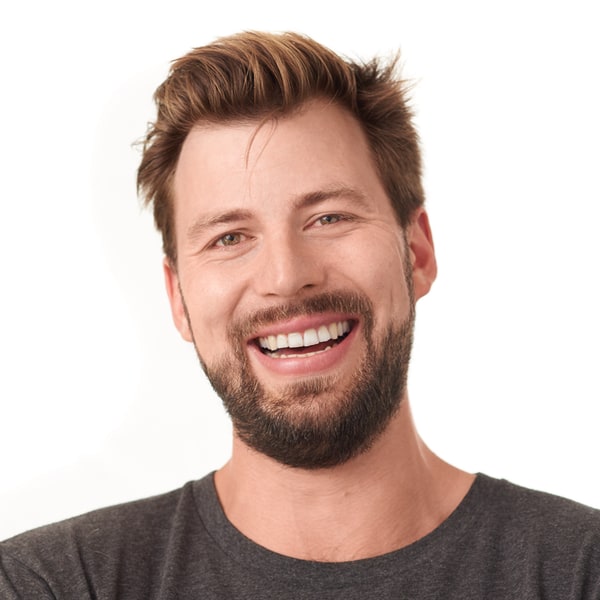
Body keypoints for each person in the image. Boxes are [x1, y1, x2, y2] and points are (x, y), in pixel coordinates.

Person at [1, 31, 598, 599]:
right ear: (178, 298)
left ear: (416, 252)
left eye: (329, 217)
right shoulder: (51, 586)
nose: (287, 277)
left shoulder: (581, 572)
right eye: (230, 237)